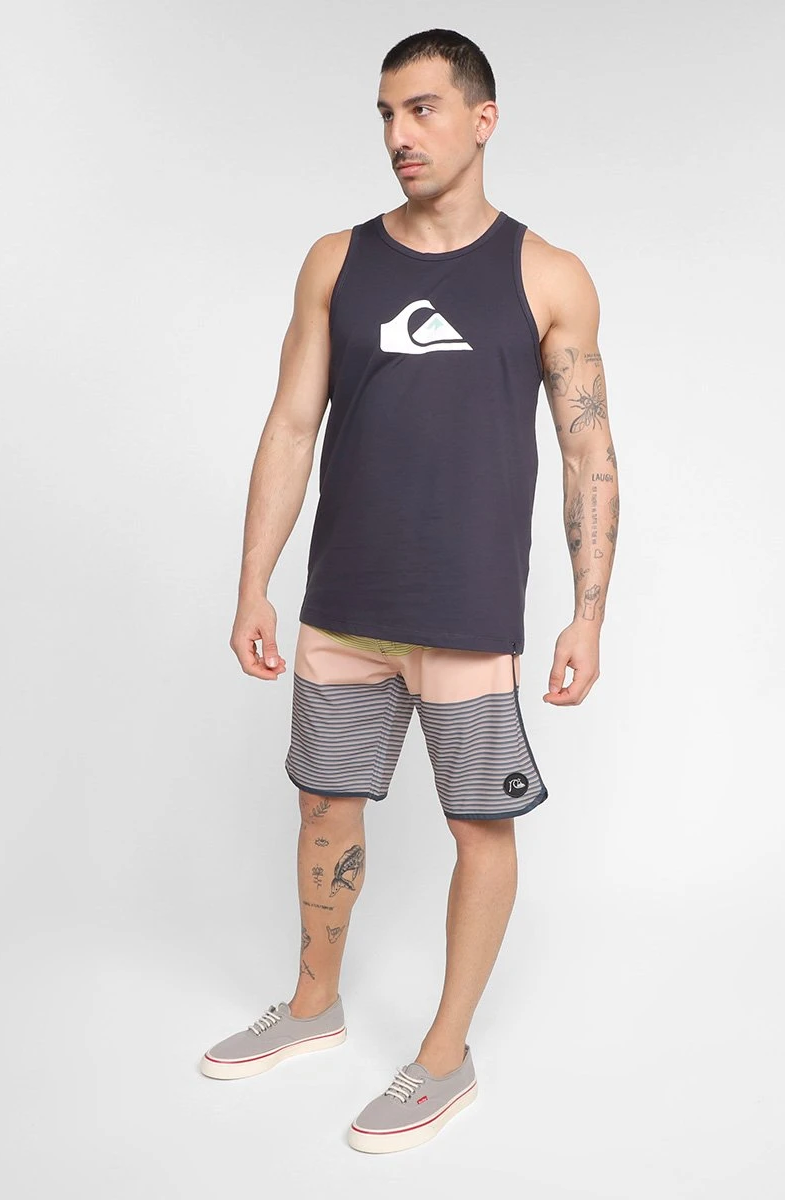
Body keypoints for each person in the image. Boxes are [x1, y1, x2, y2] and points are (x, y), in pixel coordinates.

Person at [198, 28, 620, 1154]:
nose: (399, 134)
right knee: (324, 807)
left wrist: (587, 614)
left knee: (481, 825)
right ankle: (313, 1005)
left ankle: (444, 1056)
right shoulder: (337, 262)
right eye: (386, 113)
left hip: (467, 617)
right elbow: (291, 426)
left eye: (423, 109)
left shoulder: (548, 276)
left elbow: (588, 453)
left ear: (484, 119)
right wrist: (253, 583)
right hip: (344, 606)